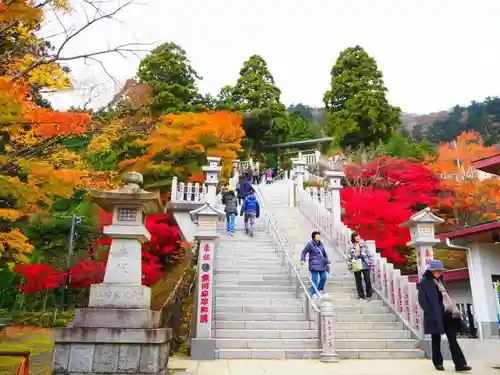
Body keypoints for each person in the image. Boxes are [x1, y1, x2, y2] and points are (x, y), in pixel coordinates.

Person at [418, 260, 471, 372]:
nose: (438, 273)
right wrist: (430, 312)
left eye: (440, 271)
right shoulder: (424, 282)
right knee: (436, 339)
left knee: (452, 339)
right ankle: (438, 363)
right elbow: (422, 300)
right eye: (436, 271)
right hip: (434, 315)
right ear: (431, 271)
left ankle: (460, 365)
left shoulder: (441, 281)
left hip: (447, 313)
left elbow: (445, 296)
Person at [300, 231, 330, 299]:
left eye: (319, 235)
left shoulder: (321, 244)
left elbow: (324, 254)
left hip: (322, 264)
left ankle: (319, 289)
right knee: (315, 279)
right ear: (314, 237)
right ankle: (314, 293)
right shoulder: (310, 244)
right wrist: (302, 259)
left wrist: (326, 260)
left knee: (324, 277)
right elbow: (304, 252)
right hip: (314, 264)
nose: (319, 236)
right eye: (317, 235)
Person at [348, 232, 374, 300]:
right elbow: (350, 257)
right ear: (353, 238)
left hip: (365, 264)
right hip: (356, 265)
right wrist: (350, 267)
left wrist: (371, 263)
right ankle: (361, 295)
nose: (357, 237)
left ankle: (369, 295)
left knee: (367, 280)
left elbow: (369, 254)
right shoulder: (351, 247)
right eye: (356, 236)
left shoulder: (364, 245)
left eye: (358, 236)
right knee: (358, 281)